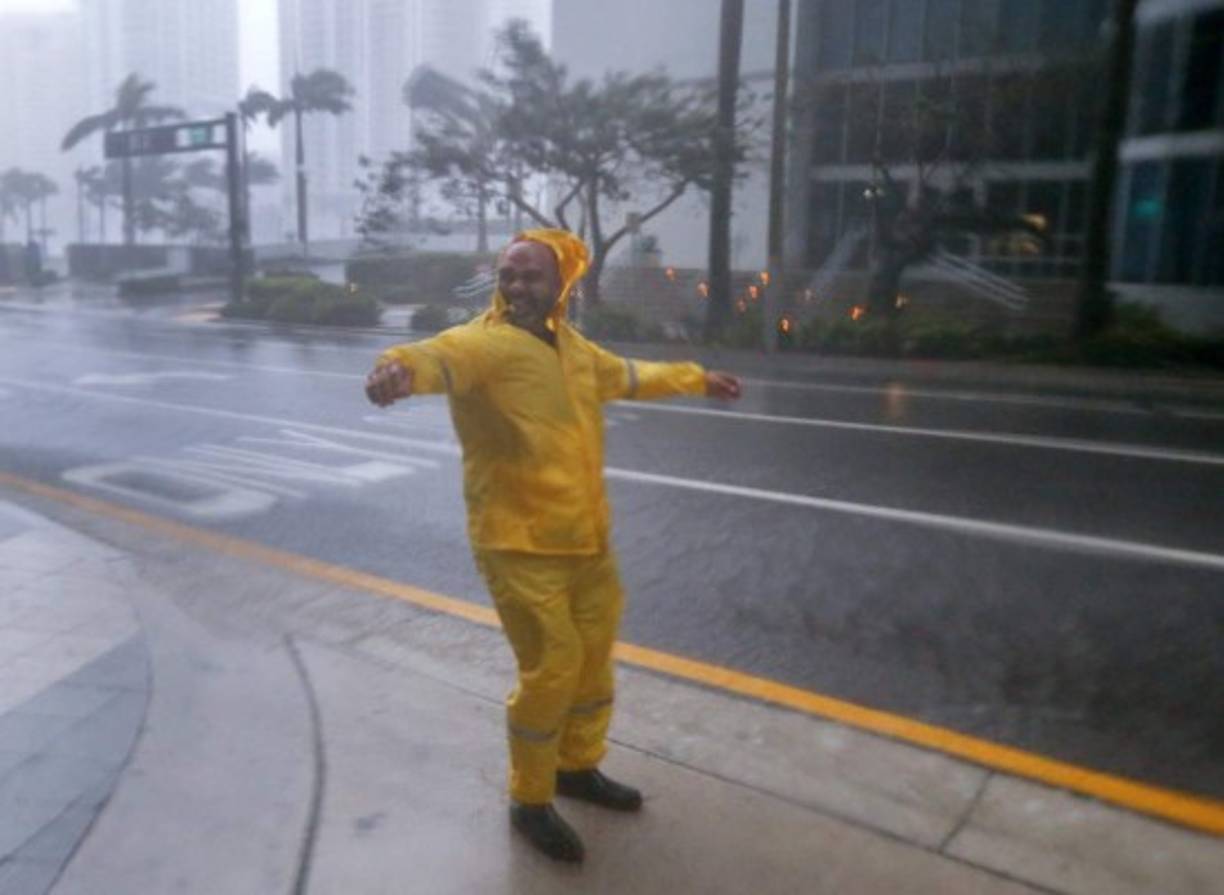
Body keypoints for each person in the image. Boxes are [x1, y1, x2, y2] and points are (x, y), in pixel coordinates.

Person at [365, 228, 741, 863]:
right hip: (517, 543)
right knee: (553, 667)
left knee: (593, 664)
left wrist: (697, 379)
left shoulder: (572, 349)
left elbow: (628, 375)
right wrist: (396, 371)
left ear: (560, 284)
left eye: (531, 275)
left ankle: (577, 767)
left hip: (586, 540)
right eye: (508, 274)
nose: (515, 286)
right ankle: (531, 799)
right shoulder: (484, 345)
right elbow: (434, 356)